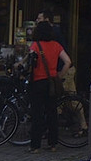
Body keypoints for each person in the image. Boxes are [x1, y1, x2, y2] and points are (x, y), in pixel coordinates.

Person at [26, 15, 69, 152]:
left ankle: (35, 145)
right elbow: (68, 61)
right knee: (52, 113)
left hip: (38, 82)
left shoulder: (35, 45)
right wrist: (59, 75)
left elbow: (30, 62)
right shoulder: (56, 45)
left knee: (37, 114)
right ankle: (53, 144)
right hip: (52, 82)